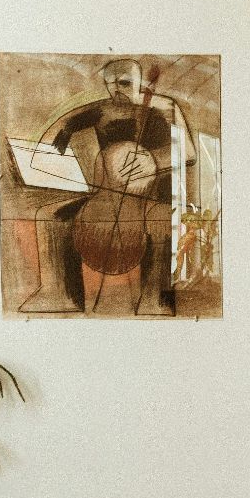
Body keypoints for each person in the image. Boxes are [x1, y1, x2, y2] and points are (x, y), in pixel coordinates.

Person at [18, 58, 197, 315]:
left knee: (162, 223)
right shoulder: (100, 110)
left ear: (140, 82)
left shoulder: (166, 107)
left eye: (124, 83)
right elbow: (57, 134)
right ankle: (57, 294)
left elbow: (189, 153)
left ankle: (156, 299)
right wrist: (60, 138)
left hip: (151, 197)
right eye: (109, 84)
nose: (116, 90)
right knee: (50, 217)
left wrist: (155, 161)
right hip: (106, 196)